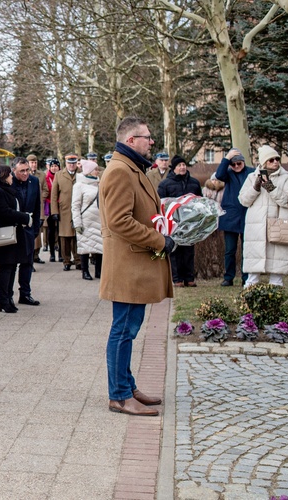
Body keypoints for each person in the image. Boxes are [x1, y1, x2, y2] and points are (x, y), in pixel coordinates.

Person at [100, 116, 174, 417]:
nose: (151, 142)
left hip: (135, 264)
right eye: (147, 137)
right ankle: (118, 396)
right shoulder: (120, 171)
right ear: (131, 140)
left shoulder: (131, 168)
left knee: (128, 329)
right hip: (129, 265)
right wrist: (158, 240)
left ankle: (127, 387)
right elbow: (119, 221)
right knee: (123, 330)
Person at [238, 145, 288, 288]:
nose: (275, 162)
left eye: (277, 159)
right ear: (263, 162)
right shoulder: (252, 177)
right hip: (256, 226)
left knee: (277, 262)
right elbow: (243, 200)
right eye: (271, 160)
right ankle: (249, 293)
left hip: (278, 225)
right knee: (253, 263)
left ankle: (275, 294)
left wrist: (270, 188)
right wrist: (255, 188)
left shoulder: (286, 178)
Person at [0, 164, 31, 313]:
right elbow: (4, 212)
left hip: (14, 232)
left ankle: (9, 298)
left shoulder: (8, 190)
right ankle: (3, 300)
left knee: (12, 267)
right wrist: (24, 217)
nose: (12, 177)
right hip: (5, 233)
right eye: (10, 175)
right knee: (6, 268)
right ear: (4, 176)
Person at [157, 155, 202, 287]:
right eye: (179, 165)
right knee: (175, 251)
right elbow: (161, 202)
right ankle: (177, 279)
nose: (182, 167)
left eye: (184, 165)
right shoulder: (165, 184)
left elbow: (200, 200)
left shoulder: (194, 182)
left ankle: (189, 278)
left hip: (189, 222)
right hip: (173, 222)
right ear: (174, 168)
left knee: (189, 250)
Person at [215, 149, 255, 286]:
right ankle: (228, 277)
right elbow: (219, 174)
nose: (236, 166)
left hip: (247, 214)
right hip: (230, 216)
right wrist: (226, 159)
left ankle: (246, 277)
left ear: (243, 162)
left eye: (239, 163)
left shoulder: (251, 172)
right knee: (230, 250)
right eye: (233, 164)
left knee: (247, 249)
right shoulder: (228, 173)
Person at [12, 158, 41, 306]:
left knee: (27, 262)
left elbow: (37, 206)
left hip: (29, 227)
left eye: (27, 170)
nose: (25, 173)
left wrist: (36, 228)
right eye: (22, 171)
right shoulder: (10, 182)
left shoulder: (34, 182)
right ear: (14, 171)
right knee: (11, 263)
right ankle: (8, 295)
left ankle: (25, 293)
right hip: (13, 227)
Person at [72, 160, 103, 281]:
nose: (98, 171)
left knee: (100, 246)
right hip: (85, 221)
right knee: (84, 247)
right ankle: (85, 271)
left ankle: (98, 271)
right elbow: (75, 206)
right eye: (95, 169)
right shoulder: (79, 185)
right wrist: (77, 223)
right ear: (89, 171)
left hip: (99, 220)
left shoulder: (99, 184)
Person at [51, 154, 80, 271]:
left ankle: (79, 261)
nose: (72, 165)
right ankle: (66, 261)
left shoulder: (81, 173)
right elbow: (54, 195)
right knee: (64, 237)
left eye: (73, 163)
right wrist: (54, 211)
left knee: (77, 237)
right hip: (64, 210)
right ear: (66, 163)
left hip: (79, 210)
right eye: (69, 163)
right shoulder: (59, 175)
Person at [27, 154, 46, 264]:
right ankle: (30, 258)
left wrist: (39, 197)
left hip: (39, 205)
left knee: (37, 234)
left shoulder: (41, 175)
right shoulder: (25, 174)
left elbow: (45, 189)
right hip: (29, 207)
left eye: (35, 162)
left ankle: (36, 255)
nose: (34, 165)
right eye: (32, 162)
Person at [43, 159, 61, 262]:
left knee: (60, 230)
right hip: (50, 204)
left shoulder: (61, 177)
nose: (54, 168)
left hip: (60, 205)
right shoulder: (46, 178)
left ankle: (61, 253)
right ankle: (52, 253)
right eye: (52, 166)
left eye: (56, 166)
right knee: (51, 230)